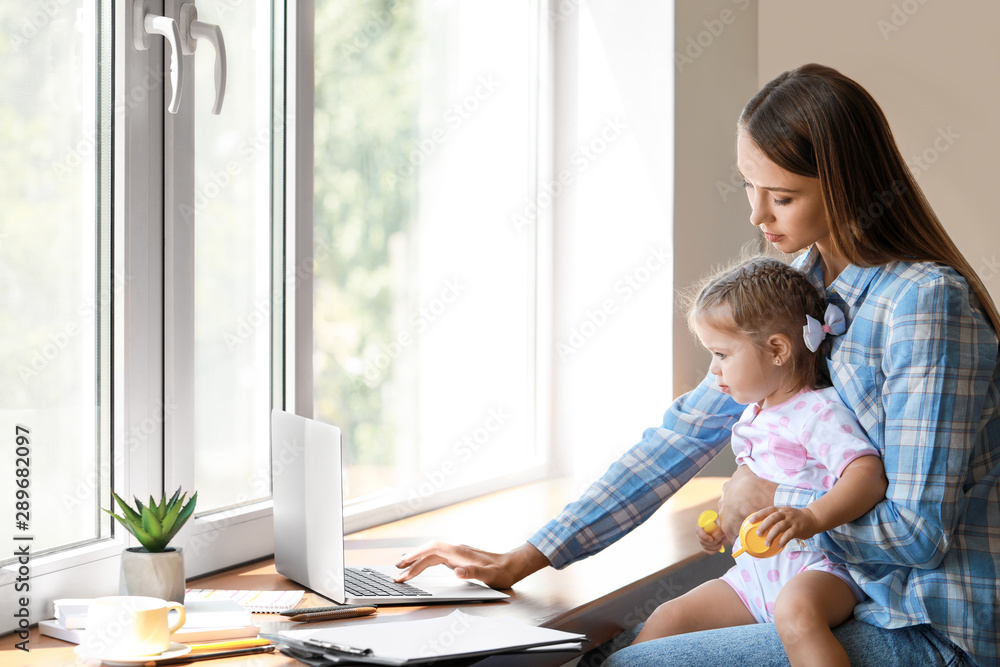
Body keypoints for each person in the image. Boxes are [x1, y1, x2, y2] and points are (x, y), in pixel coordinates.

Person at [394, 63, 1000, 666]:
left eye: (782, 197)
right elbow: (681, 435)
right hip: (816, 591)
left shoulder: (924, 304)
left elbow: (919, 534)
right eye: (747, 186)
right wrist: (528, 555)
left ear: (845, 185)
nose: (757, 216)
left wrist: (772, 499)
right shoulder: (791, 294)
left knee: (632, 664)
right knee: (625, 645)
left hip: (923, 623)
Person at [630, 256, 887, 667]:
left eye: (721, 354)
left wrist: (811, 518)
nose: (713, 370)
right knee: (668, 617)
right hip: (753, 580)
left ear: (778, 350)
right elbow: (757, 488)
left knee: (796, 616)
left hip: (820, 569)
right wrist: (726, 523)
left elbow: (867, 476)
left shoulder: (818, 412)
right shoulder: (755, 413)